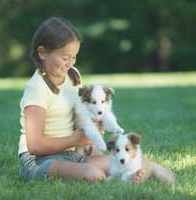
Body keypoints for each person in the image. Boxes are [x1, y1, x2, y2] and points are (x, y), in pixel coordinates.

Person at [18, 17, 144, 182]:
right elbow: (35, 146)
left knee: (127, 163)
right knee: (93, 174)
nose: (70, 63)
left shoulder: (73, 75)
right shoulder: (36, 89)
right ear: (42, 53)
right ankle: (109, 177)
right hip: (39, 160)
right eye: (65, 58)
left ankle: (135, 175)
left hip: (73, 154)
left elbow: (81, 112)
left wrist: (94, 126)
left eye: (74, 57)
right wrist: (76, 139)